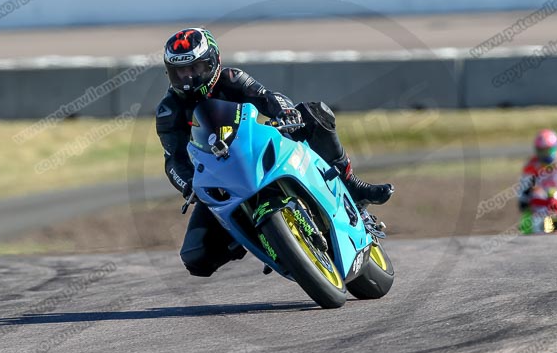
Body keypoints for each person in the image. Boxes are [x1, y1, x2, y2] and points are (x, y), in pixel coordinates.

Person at [156, 28, 394, 277]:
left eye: (195, 68)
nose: (189, 78)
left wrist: (285, 111)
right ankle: (258, 237)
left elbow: (266, 97)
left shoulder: (232, 78)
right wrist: (189, 184)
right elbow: (173, 160)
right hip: (221, 177)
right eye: (181, 72)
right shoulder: (168, 111)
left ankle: (351, 184)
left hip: (255, 150)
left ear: (213, 62)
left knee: (314, 112)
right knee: (196, 256)